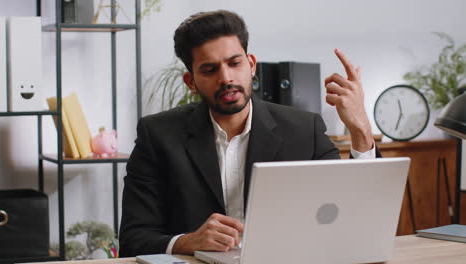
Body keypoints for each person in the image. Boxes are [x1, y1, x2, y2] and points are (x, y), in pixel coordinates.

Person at [119, 10, 379, 257]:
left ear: (251, 65)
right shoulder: (158, 135)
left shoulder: (304, 129)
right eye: (210, 70)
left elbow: (352, 214)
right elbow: (133, 238)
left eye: (234, 63)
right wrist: (187, 242)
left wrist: (361, 129)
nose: (226, 78)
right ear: (191, 82)